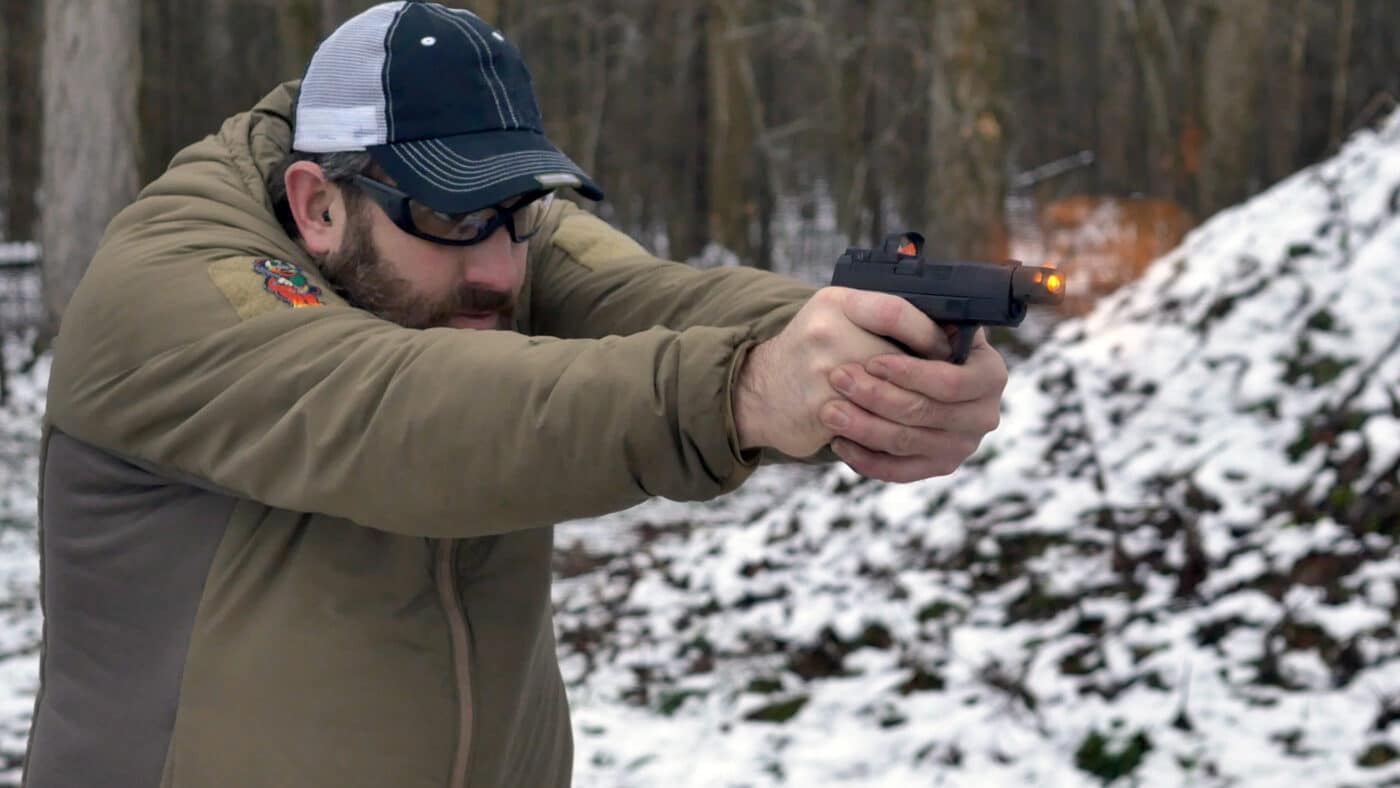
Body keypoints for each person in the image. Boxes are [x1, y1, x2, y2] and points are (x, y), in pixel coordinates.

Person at [22, 2, 1007, 787]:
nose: (498, 266)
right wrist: (751, 389)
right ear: (317, 205)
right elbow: (400, 413)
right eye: (456, 214)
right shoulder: (167, 287)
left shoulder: (451, 229)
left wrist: (860, 344)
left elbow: (648, 297)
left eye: (516, 214)